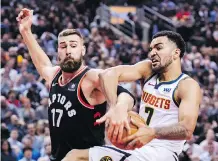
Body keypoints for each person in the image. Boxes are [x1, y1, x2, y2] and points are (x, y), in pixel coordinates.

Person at [62, 31, 202, 161]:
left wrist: (152, 132)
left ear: (176, 53)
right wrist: (114, 106)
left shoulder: (187, 86)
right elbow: (107, 74)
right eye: (151, 49)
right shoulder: (148, 70)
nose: (152, 53)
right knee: (74, 156)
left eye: (158, 48)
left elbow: (187, 129)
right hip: (138, 148)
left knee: (75, 157)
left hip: (161, 153)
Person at [16, 8, 135, 161]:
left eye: (73, 45)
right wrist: (26, 32)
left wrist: (119, 107)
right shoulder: (55, 75)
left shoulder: (91, 77)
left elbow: (125, 95)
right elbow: (43, 64)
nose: (68, 50)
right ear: (58, 50)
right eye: (63, 46)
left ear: (83, 50)